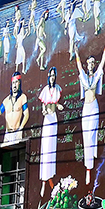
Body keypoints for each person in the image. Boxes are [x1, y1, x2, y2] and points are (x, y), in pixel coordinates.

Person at [76, 32, 105, 186]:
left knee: (93, 135)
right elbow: (78, 65)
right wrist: (76, 52)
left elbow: (103, 62)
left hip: (95, 107)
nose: (91, 65)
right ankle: (88, 170)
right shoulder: (84, 76)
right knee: (86, 137)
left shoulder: (97, 74)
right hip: (86, 107)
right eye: (89, 63)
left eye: (92, 63)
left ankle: (93, 164)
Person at [38, 67, 64, 196]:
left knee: (51, 149)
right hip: (47, 119)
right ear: (48, 76)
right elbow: (43, 104)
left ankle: (50, 178)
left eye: (54, 75)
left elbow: (57, 103)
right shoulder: (45, 89)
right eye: (51, 75)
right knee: (45, 149)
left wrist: (58, 106)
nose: (52, 77)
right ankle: (43, 182)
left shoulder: (57, 89)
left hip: (53, 119)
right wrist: (43, 110)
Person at [0, 72, 29, 144]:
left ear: (19, 83)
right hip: (7, 133)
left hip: (17, 132)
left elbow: (26, 114)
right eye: (13, 83)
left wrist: (21, 128)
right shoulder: (6, 101)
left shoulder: (23, 97)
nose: (14, 85)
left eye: (16, 82)